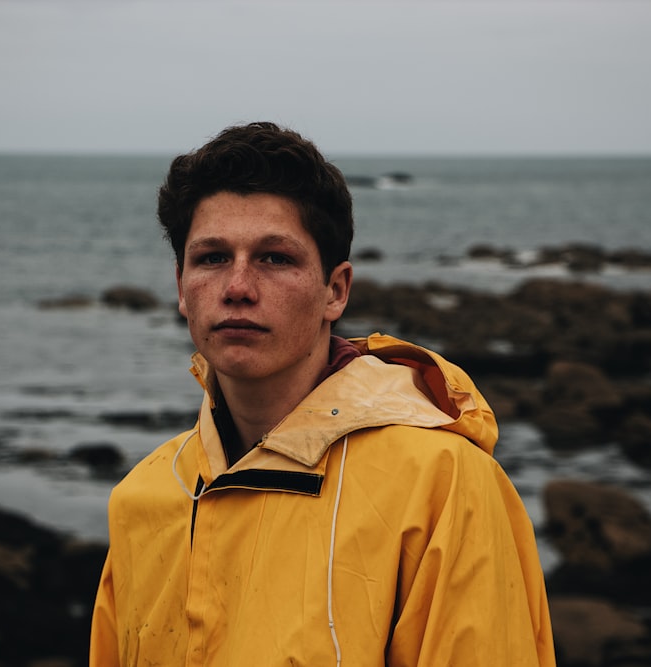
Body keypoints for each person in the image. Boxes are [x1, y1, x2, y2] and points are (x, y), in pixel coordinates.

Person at [90, 122, 555, 666]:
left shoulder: (443, 482)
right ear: (181, 289)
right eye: (212, 257)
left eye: (275, 258)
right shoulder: (144, 498)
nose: (237, 287)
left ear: (335, 291)